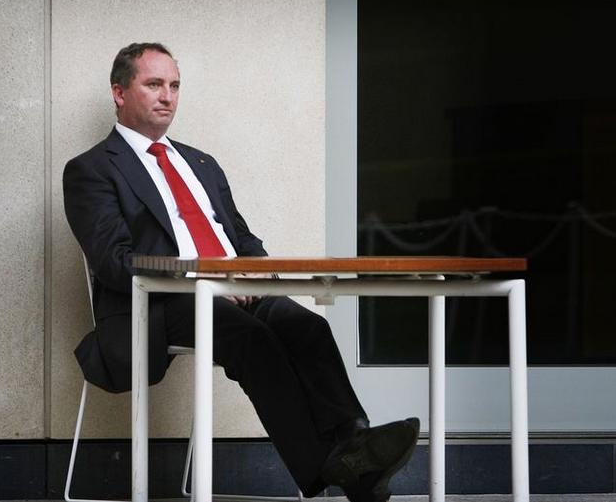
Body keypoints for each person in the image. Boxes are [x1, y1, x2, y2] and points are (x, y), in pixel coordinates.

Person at [63, 42, 419, 502]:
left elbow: (242, 238)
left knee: (307, 326)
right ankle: (346, 469)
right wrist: (204, 281)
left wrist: (255, 270)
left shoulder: (200, 163)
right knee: (252, 339)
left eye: (174, 85)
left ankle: (355, 443)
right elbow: (114, 262)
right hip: (160, 302)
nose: (167, 96)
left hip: (234, 292)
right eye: (153, 84)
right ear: (119, 92)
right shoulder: (91, 170)